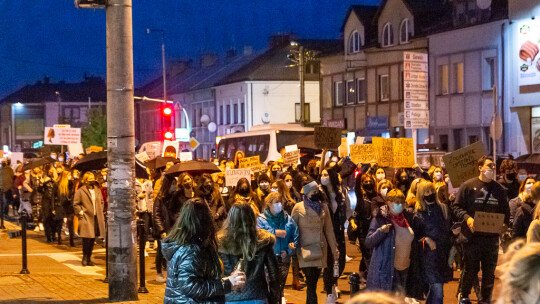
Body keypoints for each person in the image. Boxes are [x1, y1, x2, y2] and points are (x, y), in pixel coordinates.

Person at [161, 198, 246, 304]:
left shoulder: (188, 245)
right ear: (205, 220)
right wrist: (227, 284)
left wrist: (227, 281)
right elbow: (190, 286)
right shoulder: (190, 250)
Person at [452, 156, 510, 304]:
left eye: (494, 166)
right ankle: (464, 296)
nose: (492, 169)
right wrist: (467, 218)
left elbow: (506, 213)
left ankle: (485, 299)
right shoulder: (468, 186)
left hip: (491, 239)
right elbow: (456, 207)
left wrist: (503, 225)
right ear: (480, 168)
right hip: (472, 238)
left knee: (489, 272)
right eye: (489, 165)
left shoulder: (500, 190)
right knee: (470, 269)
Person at [218, 202, 280, 304]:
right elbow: (274, 274)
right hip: (258, 295)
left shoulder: (220, 242)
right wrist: (273, 298)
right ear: (252, 218)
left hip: (230, 297)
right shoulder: (263, 240)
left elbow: (216, 274)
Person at [292, 181, 338, 304]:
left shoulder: (324, 207)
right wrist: (291, 245)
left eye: (317, 190)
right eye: (313, 191)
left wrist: (334, 249)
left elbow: (328, 229)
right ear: (306, 193)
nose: (315, 193)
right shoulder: (298, 207)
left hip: (320, 249)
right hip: (305, 249)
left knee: (313, 282)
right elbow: (292, 228)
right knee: (311, 282)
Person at [365, 189, 414, 294]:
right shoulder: (380, 219)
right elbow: (368, 242)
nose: (399, 205)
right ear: (388, 203)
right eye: (396, 202)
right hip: (388, 269)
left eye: (401, 202)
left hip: (405, 269)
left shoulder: (407, 219)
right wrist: (381, 231)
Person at [413, 181, 452, 304]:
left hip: (442, 254)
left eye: (431, 190)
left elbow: (447, 229)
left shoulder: (443, 208)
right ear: (421, 194)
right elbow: (413, 236)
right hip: (427, 256)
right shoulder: (418, 213)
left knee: (435, 289)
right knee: (438, 290)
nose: (430, 193)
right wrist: (426, 239)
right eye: (427, 191)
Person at [256, 192, 299, 302]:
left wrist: (289, 249)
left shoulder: (288, 219)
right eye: (276, 203)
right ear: (269, 204)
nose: (279, 205)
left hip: (283, 259)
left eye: (280, 202)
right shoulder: (261, 219)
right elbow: (258, 235)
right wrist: (274, 232)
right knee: (269, 289)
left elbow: (296, 236)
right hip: (267, 260)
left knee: (279, 289)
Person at [320, 167, 352, 299]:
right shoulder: (319, 192)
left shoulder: (342, 192)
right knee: (328, 261)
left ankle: (333, 282)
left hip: (338, 230)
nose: (323, 177)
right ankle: (330, 289)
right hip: (325, 232)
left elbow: (348, 209)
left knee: (340, 260)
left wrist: (343, 220)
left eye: (326, 174)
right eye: (322, 174)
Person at [73, 172, 106, 266]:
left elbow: (101, 201)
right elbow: (76, 203)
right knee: (86, 238)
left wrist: (101, 209)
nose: (91, 181)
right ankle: (84, 256)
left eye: (92, 178)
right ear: (85, 180)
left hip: (96, 217)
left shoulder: (97, 190)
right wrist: (80, 212)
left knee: (93, 239)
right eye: (89, 179)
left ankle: (89, 257)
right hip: (86, 217)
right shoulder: (81, 191)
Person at [153, 174, 181, 283]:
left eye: (176, 184)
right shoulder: (160, 198)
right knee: (161, 251)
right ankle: (159, 272)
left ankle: (172, 273)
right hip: (164, 228)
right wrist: (161, 230)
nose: (175, 187)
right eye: (173, 184)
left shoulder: (176, 197)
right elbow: (156, 215)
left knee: (174, 251)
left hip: (174, 228)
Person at [40, 166, 62, 244]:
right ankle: (48, 236)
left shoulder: (56, 182)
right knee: (47, 219)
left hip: (54, 202)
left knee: (54, 220)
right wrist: (42, 183)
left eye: (53, 171)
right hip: (46, 202)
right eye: (50, 171)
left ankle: (53, 235)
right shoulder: (45, 180)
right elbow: (40, 190)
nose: (51, 173)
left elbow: (58, 193)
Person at [57, 168, 75, 246]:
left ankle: (59, 239)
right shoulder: (68, 184)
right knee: (70, 223)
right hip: (67, 206)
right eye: (69, 175)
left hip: (63, 206)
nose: (70, 176)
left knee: (61, 223)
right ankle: (71, 241)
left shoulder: (59, 184)